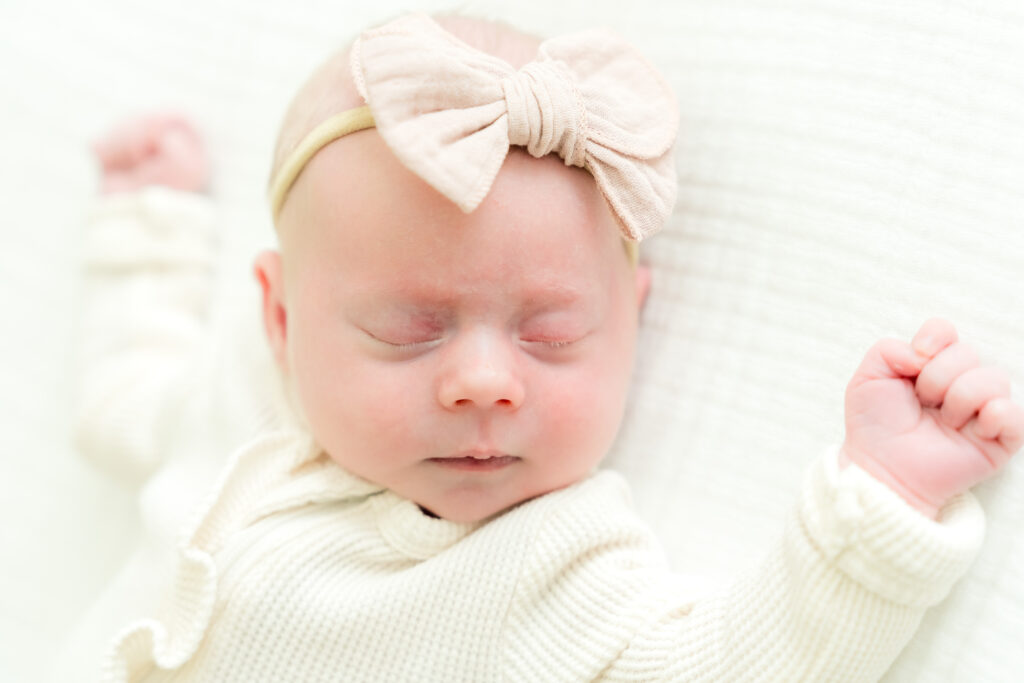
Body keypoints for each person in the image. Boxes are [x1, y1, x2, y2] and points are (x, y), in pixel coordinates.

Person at [67, 12, 1023, 682]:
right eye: (407, 330)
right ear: (280, 318)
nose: (484, 382)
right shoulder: (242, 391)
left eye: (552, 335)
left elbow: (736, 665)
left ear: (631, 321)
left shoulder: (550, 570)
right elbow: (122, 396)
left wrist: (885, 496)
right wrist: (149, 218)